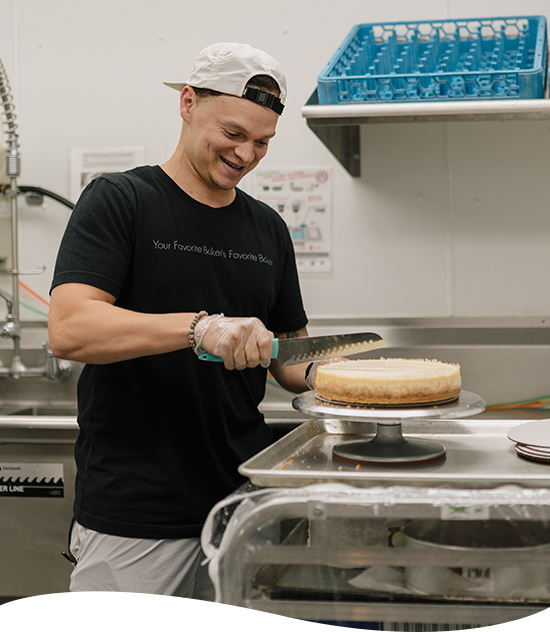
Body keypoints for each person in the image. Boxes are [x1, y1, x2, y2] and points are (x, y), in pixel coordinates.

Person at [48, 42, 309, 632]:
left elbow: (288, 351)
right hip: (136, 510)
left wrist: (334, 378)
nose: (246, 154)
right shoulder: (122, 200)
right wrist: (201, 328)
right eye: (233, 133)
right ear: (188, 104)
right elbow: (70, 327)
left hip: (238, 503)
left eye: (263, 142)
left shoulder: (268, 227)